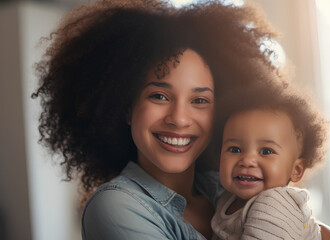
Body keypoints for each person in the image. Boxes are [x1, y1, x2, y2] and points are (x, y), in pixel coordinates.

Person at [32, 0, 284, 239]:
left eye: (199, 100)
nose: (179, 118)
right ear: (126, 107)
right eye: (159, 96)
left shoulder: (226, 187)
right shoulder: (115, 207)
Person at [211, 88, 330, 240]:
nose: (247, 160)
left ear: (296, 169)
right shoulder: (226, 199)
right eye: (234, 149)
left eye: (266, 151)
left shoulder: (274, 204)